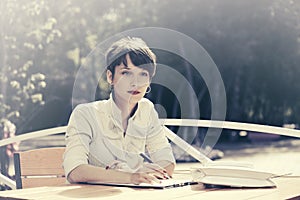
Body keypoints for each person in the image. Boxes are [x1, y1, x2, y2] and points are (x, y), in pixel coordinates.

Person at [63, 37, 176, 185]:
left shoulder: (146, 109)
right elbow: (75, 171)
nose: (135, 82)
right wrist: (130, 176)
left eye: (143, 74)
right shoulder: (85, 114)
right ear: (110, 77)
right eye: (126, 73)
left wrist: (151, 171)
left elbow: (167, 161)